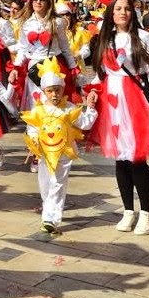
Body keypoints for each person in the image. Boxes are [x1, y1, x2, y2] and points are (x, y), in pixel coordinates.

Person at [86, 0, 149, 235]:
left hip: (134, 100)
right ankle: (127, 210)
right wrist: (93, 92)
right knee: (120, 159)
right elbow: (101, 72)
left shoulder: (143, 38)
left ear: (134, 13)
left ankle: (146, 213)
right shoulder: (105, 39)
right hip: (111, 102)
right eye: (118, 8)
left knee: (137, 158)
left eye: (127, 8)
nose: (122, 12)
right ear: (111, 12)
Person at [21, 58, 99, 235]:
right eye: (50, 91)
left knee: (57, 184)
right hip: (44, 154)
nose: (54, 94)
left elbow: (85, 123)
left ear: (63, 89)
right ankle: (48, 206)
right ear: (44, 91)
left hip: (63, 153)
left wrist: (91, 109)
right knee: (45, 184)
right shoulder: (38, 110)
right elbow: (32, 127)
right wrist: (33, 141)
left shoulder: (69, 108)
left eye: (57, 90)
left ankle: (51, 219)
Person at [9, 0, 79, 113]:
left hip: (54, 65)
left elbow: (65, 47)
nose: (38, 2)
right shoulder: (26, 23)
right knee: (36, 100)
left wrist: (73, 67)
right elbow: (23, 48)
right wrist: (16, 67)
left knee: (54, 99)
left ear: (48, 2)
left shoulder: (58, 22)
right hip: (34, 66)